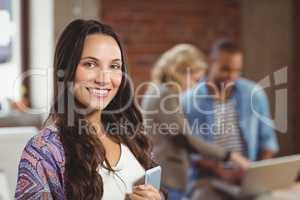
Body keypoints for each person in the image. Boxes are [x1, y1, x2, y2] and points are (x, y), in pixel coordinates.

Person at [15, 19, 165, 200]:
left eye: (114, 66)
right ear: (65, 68)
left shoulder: (132, 136)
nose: (104, 79)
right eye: (90, 64)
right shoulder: (43, 150)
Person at [141, 44, 249, 200]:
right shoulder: (167, 94)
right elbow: (185, 138)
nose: (195, 85)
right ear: (181, 72)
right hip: (169, 175)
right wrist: (229, 155)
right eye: (195, 79)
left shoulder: (155, 90)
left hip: (163, 173)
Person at [181, 39, 279, 198]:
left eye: (237, 70)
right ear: (210, 63)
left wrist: (255, 174)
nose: (231, 76)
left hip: (248, 177)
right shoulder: (188, 101)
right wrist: (221, 172)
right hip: (208, 179)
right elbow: (188, 152)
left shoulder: (254, 93)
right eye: (225, 69)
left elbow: (268, 142)